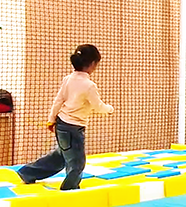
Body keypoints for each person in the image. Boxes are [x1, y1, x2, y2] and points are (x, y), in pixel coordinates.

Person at [18, 45, 114, 190]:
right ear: (93, 64)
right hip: (73, 129)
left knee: (61, 156)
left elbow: (58, 100)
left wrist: (51, 119)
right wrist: (109, 109)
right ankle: (70, 188)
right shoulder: (89, 86)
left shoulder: (68, 79)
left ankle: (28, 172)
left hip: (61, 124)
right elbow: (98, 106)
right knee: (77, 163)